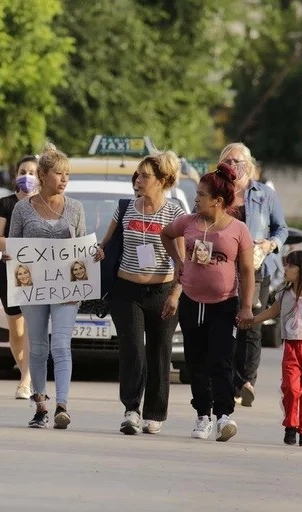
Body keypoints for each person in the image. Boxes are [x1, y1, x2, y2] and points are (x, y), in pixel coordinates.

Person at [160, 162, 255, 442]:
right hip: (192, 302)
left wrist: (247, 306)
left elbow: (247, 270)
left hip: (224, 304)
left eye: (201, 194)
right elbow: (166, 234)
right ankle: (203, 415)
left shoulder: (238, 229)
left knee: (222, 359)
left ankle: (224, 416)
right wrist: (179, 261)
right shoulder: (188, 222)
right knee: (196, 360)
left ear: (218, 200)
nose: (196, 198)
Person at [94, 152, 185, 435]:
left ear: (162, 180)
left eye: (145, 176)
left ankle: (154, 413)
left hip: (162, 292)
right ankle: (131, 409)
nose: (138, 180)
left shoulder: (175, 214)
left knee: (159, 352)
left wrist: (175, 294)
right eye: (138, 175)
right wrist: (98, 252)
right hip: (127, 291)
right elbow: (105, 244)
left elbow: (183, 262)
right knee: (133, 350)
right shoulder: (125, 208)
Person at [9, 143, 86, 429]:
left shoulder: (75, 208)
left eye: (67, 174)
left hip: (65, 288)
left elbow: (81, 247)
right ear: (42, 175)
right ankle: (41, 405)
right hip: (33, 288)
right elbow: (13, 245)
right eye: (58, 173)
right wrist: (9, 256)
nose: (64, 179)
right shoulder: (22, 209)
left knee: (61, 344)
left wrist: (92, 257)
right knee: (39, 346)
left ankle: (62, 405)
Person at [242, 250, 302, 447]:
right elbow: (271, 312)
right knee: (290, 388)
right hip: (291, 348)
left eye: (291, 266)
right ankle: (291, 425)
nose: (286, 269)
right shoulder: (283, 294)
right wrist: (251, 321)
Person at [222, 143, 288, 408]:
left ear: (248, 165)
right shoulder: (217, 190)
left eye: (237, 162)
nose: (232, 166)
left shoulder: (264, 194)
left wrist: (270, 244)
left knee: (250, 323)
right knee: (223, 324)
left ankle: (247, 381)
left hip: (256, 269)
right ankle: (230, 381)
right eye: (228, 161)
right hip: (221, 268)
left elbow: (281, 229)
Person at [0, 156, 37, 399]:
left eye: (32, 172)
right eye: (23, 171)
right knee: (16, 329)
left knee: (32, 326)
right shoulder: (5, 204)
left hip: (37, 274)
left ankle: (26, 381)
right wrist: (18, 248)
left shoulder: (43, 204)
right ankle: (25, 375)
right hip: (9, 272)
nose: (27, 176)